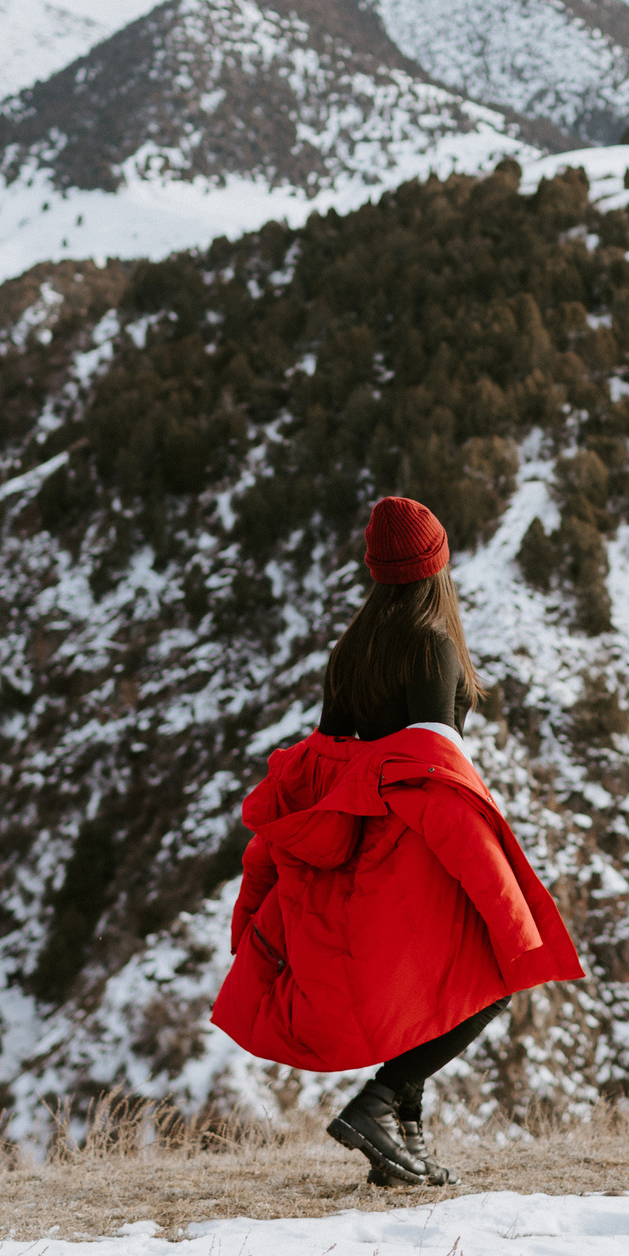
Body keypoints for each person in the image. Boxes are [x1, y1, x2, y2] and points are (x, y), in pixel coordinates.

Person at [210, 496, 584, 1187]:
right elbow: (437, 767)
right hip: (416, 848)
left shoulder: (349, 650)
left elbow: (329, 752)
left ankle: (401, 1144)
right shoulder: (433, 646)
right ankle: (379, 1105)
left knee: (431, 989)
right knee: (489, 976)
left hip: (360, 849)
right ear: (435, 567)